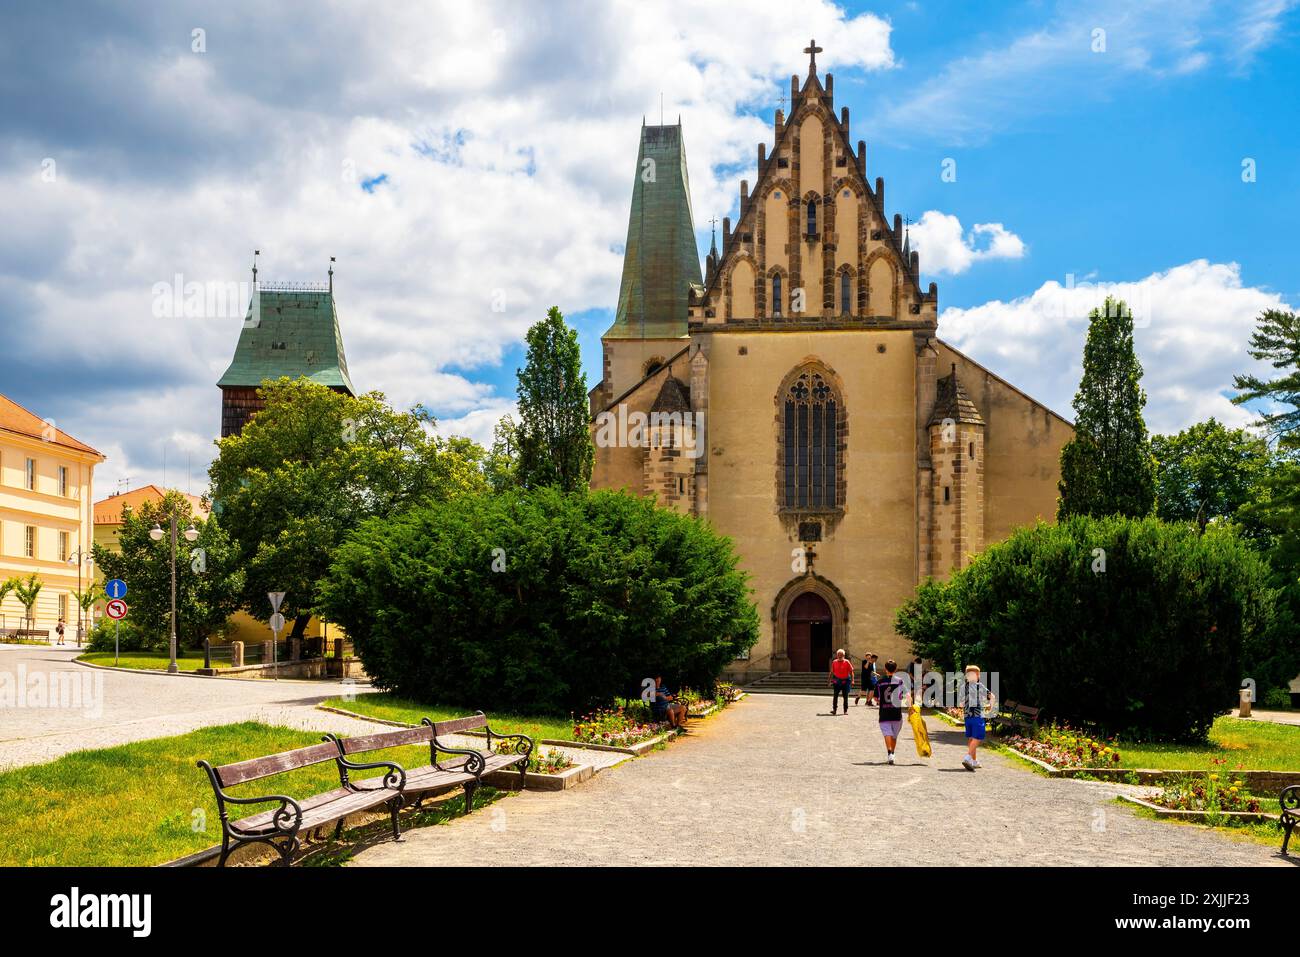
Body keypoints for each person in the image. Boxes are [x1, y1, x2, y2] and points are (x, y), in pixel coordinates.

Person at [959, 664, 996, 770]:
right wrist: (990, 706)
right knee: (978, 737)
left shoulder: (963, 687)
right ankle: (968, 757)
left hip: (967, 717)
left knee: (971, 738)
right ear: (977, 675)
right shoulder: (979, 686)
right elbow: (992, 696)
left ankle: (974, 761)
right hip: (977, 715)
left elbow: (961, 704)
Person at [875, 659, 911, 764]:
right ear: (896, 669)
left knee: (887, 734)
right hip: (896, 713)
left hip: (884, 712)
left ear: (885, 669)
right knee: (894, 735)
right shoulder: (900, 681)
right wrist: (910, 706)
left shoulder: (880, 682)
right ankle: (892, 753)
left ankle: (889, 752)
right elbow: (908, 695)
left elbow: (876, 699)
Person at [828, 648, 853, 715]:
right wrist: (829, 680)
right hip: (836, 681)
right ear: (836, 655)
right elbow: (831, 672)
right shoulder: (834, 662)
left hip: (845, 681)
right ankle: (834, 710)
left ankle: (845, 710)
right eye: (838, 655)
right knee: (835, 695)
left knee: (845, 696)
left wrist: (852, 680)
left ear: (843, 655)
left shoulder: (847, 662)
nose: (839, 656)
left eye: (841, 655)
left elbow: (851, 672)